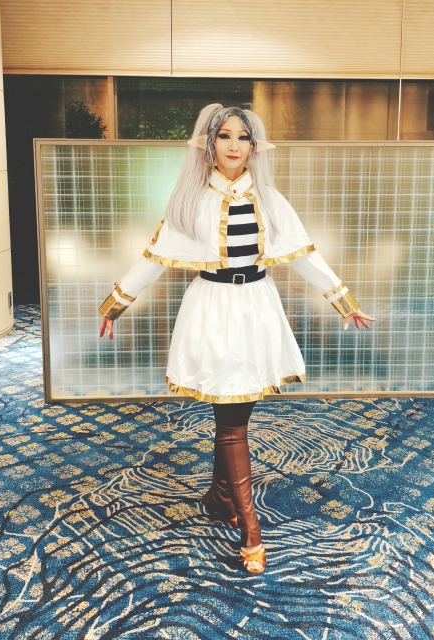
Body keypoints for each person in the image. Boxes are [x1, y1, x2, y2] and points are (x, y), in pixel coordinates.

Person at [99, 104, 376, 575]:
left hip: (256, 309)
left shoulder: (269, 199)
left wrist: (343, 300)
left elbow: (304, 255)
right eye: (224, 136)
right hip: (211, 310)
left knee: (233, 411)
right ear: (209, 143)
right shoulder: (190, 200)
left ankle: (218, 496)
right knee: (232, 421)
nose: (233, 146)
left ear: (253, 146)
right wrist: (116, 302)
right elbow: (153, 257)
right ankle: (251, 528)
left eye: (243, 137)